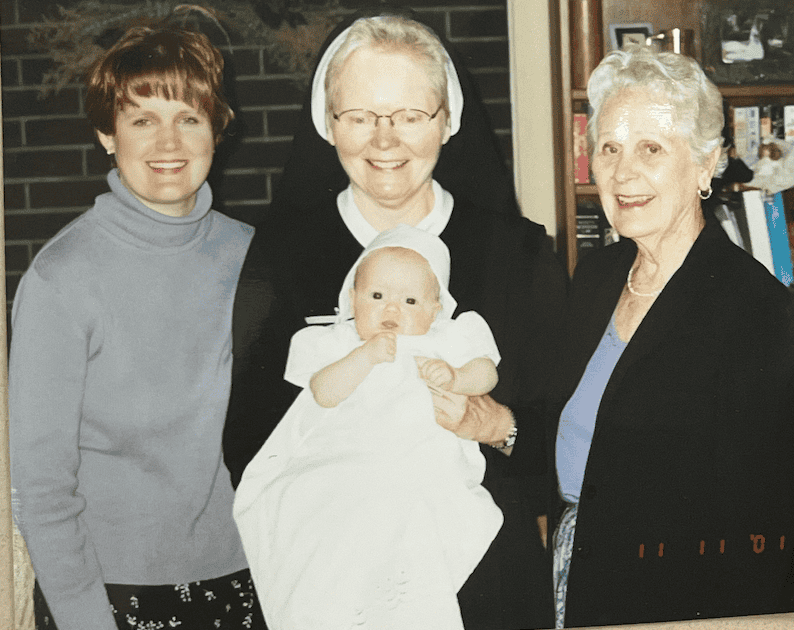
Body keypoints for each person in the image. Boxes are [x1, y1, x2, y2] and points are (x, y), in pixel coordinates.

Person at [223, 9, 568, 630]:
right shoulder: (280, 258)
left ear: (448, 121)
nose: (385, 141)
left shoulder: (518, 255)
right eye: (359, 116)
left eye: (411, 116)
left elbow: (560, 446)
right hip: (331, 580)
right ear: (328, 125)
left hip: (481, 583)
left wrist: (496, 424)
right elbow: (246, 438)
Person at [9, 25, 266, 630]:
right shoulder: (61, 279)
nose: (168, 142)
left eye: (189, 117)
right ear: (107, 134)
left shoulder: (255, 258)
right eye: (142, 119)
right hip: (112, 596)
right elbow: (42, 488)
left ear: (216, 130)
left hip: (253, 578)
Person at [547, 45, 794, 628]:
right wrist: (493, 425)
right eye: (609, 148)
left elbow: (762, 518)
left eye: (650, 148)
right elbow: (577, 427)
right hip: (576, 568)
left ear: (705, 165)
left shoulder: (755, 314)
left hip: (672, 597)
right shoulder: (600, 277)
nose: (623, 171)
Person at [234, 224, 505, 629]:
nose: (391, 311)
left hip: (419, 455)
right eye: (377, 296)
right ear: (352, 298)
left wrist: (455, 377)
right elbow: (322, 392)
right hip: (341, 455)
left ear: (435, 309)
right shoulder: (336, 342)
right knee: (318, 509)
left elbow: (486, 374)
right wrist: (363, 357)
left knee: (408, 516)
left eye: (410, 300)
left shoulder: (446, 339)